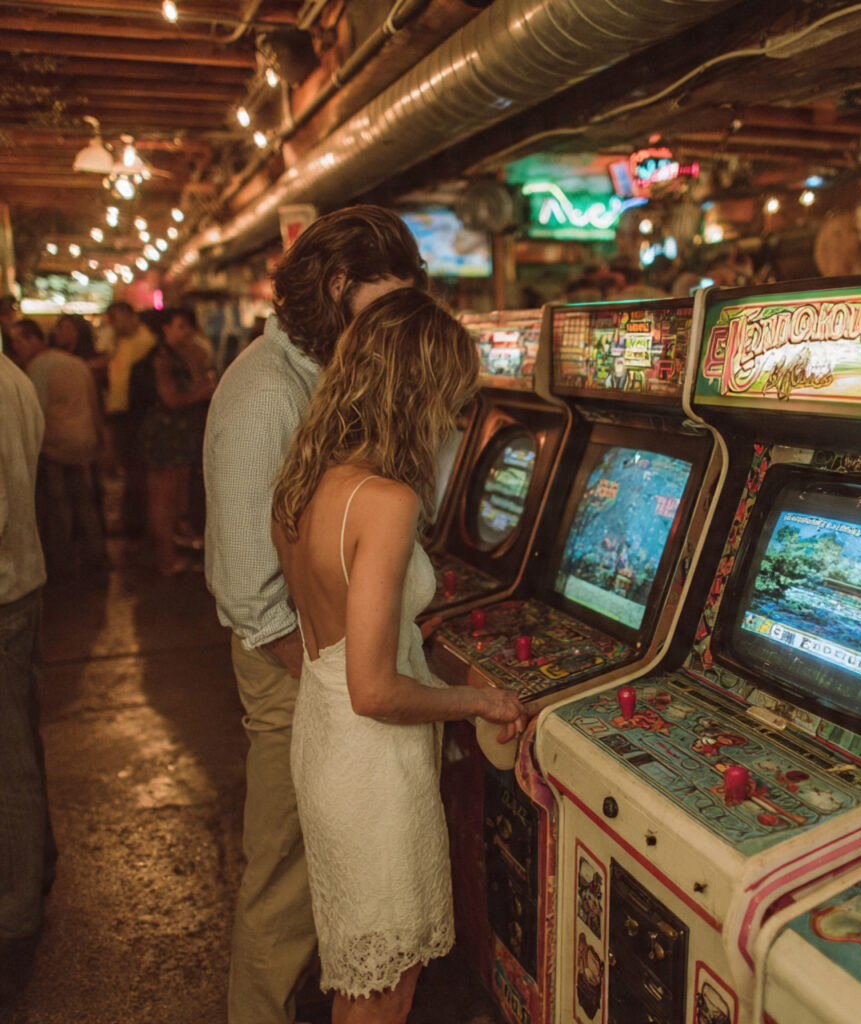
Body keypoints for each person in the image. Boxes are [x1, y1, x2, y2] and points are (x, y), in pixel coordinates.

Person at [271, 287, 527, 1024]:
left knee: (360, 978)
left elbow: (341, 643)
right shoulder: (384, 500)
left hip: (323, 742)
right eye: (448, 398)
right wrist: (479, 700)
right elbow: (374, 690)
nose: (452, 419)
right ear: (412, 390)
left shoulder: (304, 477)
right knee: (387, 989)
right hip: (370, 764)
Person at [203, 204, 428, 1024]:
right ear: (336, 287)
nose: (387, 332)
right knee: (287, 878)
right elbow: (248, 589)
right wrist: (342, 683)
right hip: (289, 664)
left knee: (336, 877)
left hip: (327, 658)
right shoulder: (265, 393)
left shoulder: (323, 377)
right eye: (382, 308)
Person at [0, 345, 53, 992]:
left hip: (4, 588)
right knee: (21, 739)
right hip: (24, 581)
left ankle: (15, 909)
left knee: (8, 761)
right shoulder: (16, 378)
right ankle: (35, 863)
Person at [8, 317, 107, 580]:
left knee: (58, 507)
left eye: (19, 340)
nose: (15, 346)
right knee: (85, 503)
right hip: (83, 441)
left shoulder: (39, 367)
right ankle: (97, 560)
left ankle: (60, 566)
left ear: (34, 339)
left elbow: (35, 411)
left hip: (56, 445)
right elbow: (94, 403)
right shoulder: (74, 362)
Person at [139, 307, 216, 575]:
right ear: (166, 329)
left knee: (172, 495)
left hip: (175, 434)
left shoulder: (176, 355)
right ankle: (166, 559)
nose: (187, 332)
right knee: (164, 498)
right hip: (166, 435)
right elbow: (170, 399)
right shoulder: (162, 358)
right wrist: (202, 393)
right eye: (180, 327)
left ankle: (168, 554)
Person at [103, 300, 157, 536]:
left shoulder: (145, 342)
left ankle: (136, 524)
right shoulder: (122, 342)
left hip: (134, 415)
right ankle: (132, 520)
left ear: (127, 315)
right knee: (129, 467)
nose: (112, 325)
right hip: (120, 413)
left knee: (136, 469)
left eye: (114, 319)